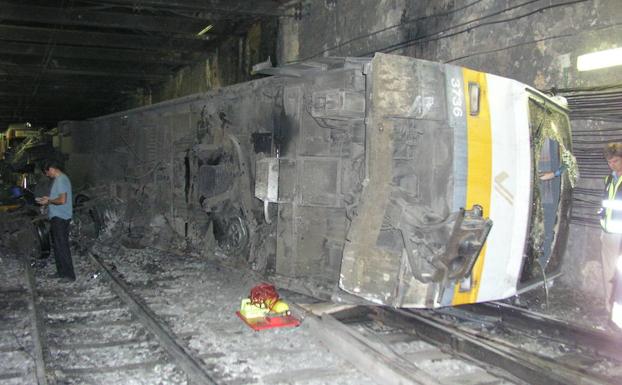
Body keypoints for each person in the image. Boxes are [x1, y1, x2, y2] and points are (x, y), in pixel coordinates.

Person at [36, 160, 75, 281]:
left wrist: (49, 201)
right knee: (57, 246)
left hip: (61, 218)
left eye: (47, 172)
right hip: (57, 217)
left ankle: (69, 275)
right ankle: (61, 272)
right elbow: (58, 198)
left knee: (62, 246)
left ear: (52, 168)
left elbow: (62, 200)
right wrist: (48, 199)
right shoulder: (58, 180)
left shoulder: (62, 180)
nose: (47, 175)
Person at [600, 143, 622, 312]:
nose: (612, 165)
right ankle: (610, 307)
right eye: (609, 162)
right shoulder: (609, 179)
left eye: (615, 161)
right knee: (609, 272)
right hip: (608, 233)